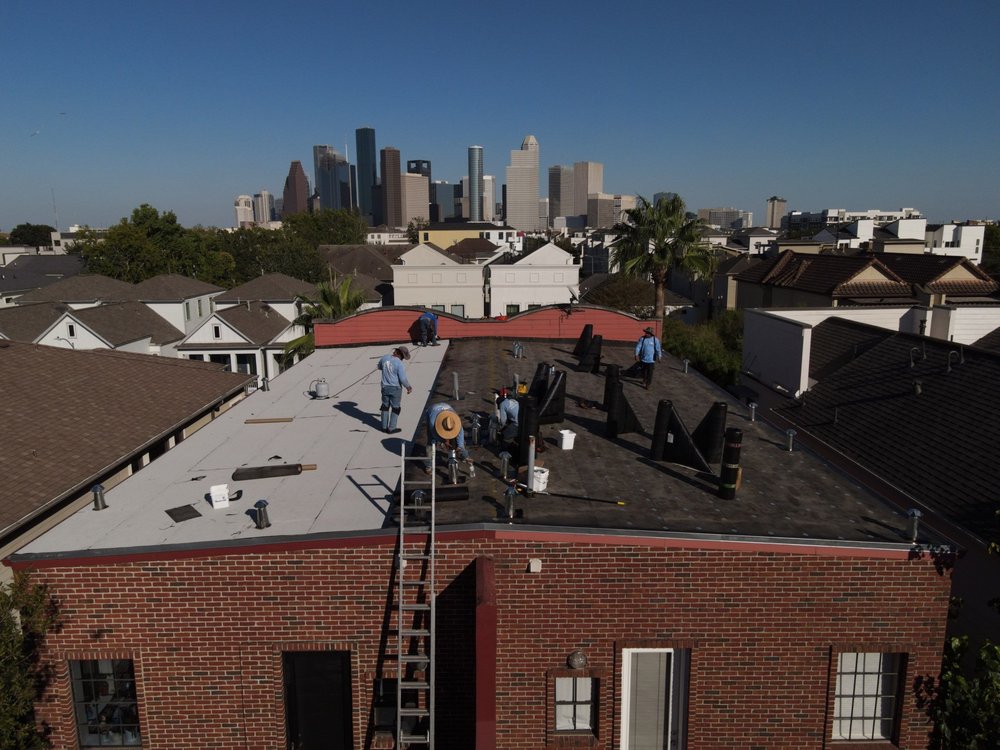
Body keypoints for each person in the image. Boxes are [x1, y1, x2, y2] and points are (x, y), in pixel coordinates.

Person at [423, 402, 468, 473]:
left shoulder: (456, 422)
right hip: (432, 410)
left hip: (446, 407)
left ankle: (461, 456)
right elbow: (435, 435)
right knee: (431, 442)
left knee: (456, 440)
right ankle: (429, 465)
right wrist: (444, 442)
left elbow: (460, 437)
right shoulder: (433, 422)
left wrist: (460, 448)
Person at [377, 346, 412, 434]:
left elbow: (379, 367)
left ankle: (384, 427)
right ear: (401, 355)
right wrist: (408, 387)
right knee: (396, 408)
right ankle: (391, 428)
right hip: (395, 388)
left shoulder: (385, 358)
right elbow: (402, 378)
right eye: (403, 357)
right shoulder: (399, 363)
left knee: (385, 406)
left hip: (384, 387)